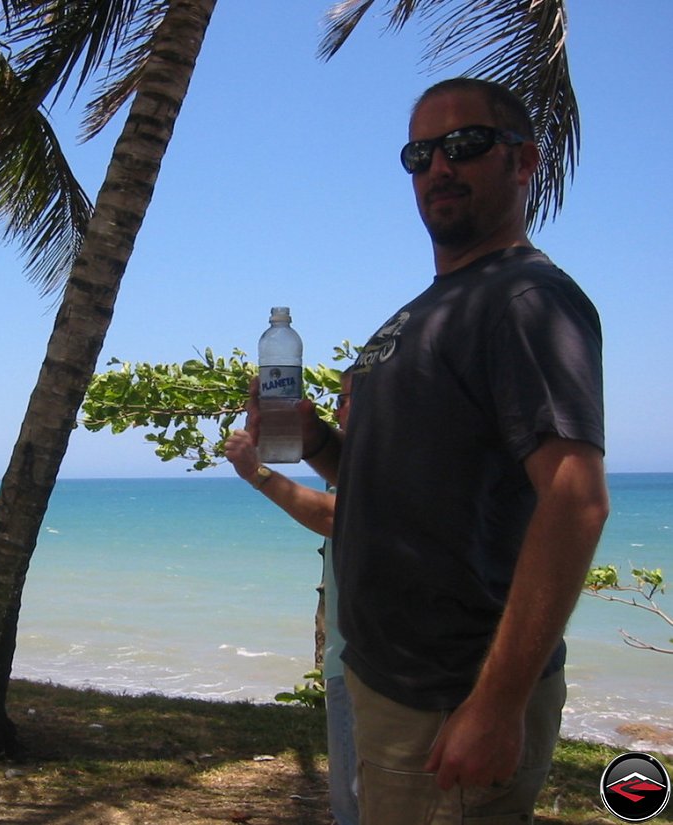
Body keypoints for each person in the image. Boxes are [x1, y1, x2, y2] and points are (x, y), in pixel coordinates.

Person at [297, 78, 609, 824]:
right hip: (385, 680)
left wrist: (497, 704)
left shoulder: (525, 299)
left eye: (465, 145)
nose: (439, 166)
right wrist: (312, 439)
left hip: (452, 701)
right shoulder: (424, 312)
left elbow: (576, 499)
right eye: (419, 153)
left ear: (524, 160)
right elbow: (383, 491)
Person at [224, 370, 357, 825]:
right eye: (338, 398)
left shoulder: (399, 467)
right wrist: (286, 431)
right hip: (354, 659)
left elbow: (335, 517)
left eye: (347, 399)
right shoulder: (365, 465)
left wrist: (256, 473)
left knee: (357, 807)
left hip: (366, 666)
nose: (338, 409)